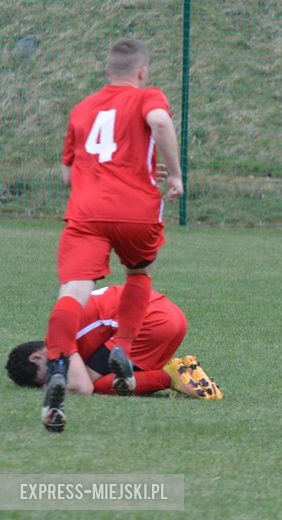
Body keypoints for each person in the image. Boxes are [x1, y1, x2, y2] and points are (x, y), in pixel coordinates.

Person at [41, 38, 184, 432]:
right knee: (138, 273)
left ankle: (55, 366)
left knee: (72, 292)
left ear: (107, 71)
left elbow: (69, 175)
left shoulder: (82, 109)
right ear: (142, 72)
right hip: (136, 210)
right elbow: (159, 122)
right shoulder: (147, 95)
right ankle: (122, 345)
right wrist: (173, 174)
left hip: (86, 212)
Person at [6, 285, 222, 401]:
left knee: (98, 384)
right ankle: (176, 369)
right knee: (110, 372)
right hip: (170, 315)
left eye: (49, 373)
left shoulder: (58, 336)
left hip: (151, 322)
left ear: (36, 356)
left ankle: (170, 375)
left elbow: (83, 388)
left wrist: (49, 387)